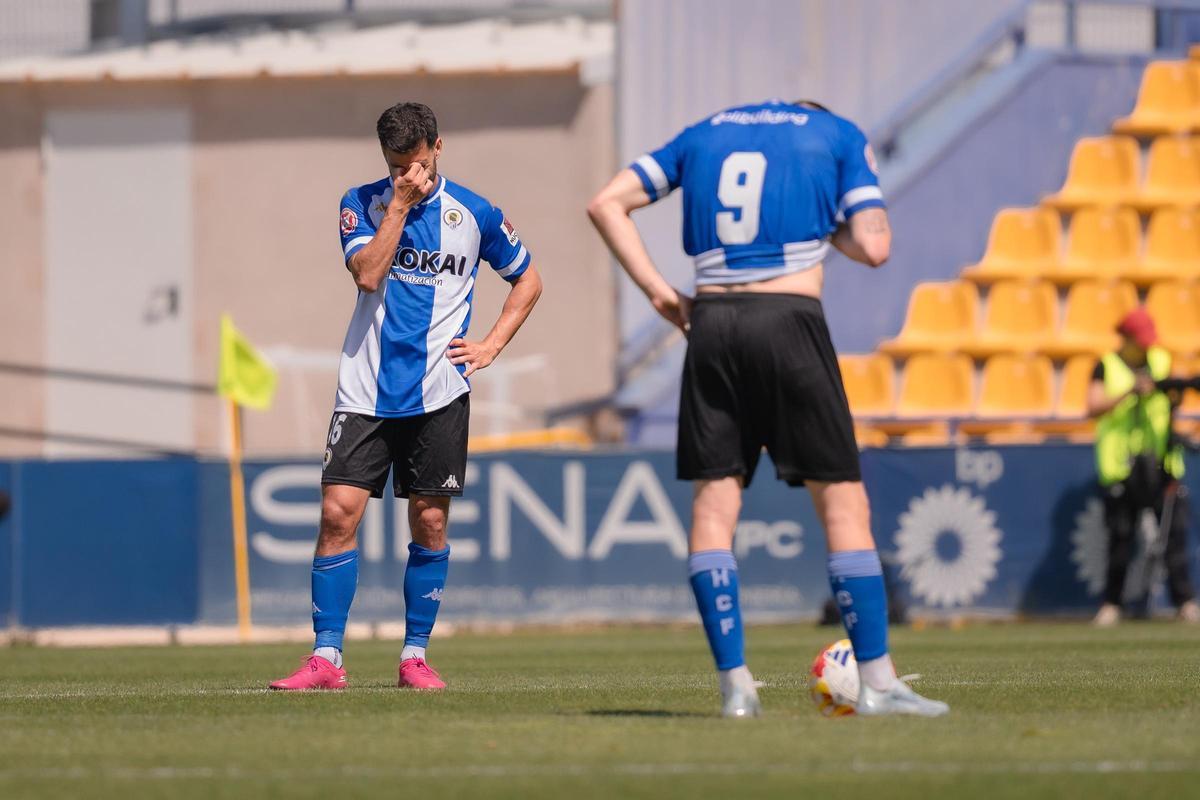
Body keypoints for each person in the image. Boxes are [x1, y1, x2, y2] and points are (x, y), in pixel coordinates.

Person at [587, 99, 948, 717]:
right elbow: (874, 244)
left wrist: (660, 295)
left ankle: (736, 690)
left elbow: (606, 202)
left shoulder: (701, 130)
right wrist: (826, 224)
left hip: (713, 324)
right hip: (790, 323)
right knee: (842, 504)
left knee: (714, 509)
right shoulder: (836, 133)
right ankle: (881, 685)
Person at [270, 102, 543, 690]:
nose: (406, 175)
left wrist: (492, 345)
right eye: (396, 166)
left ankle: (414, 656)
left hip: (439, 392)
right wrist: (397, 205)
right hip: (364, 390)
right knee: (337, 514)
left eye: (415, 164)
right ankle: (327, 659)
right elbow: (368, 274)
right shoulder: (361, 203)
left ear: (437, 149)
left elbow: (528, 278)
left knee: (430, 522)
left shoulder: (475, 212)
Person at [1087, 308, 1198, 627]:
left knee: (1173, 538)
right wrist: (1129, 391)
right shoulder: (1105, 366)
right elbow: (1092, 407)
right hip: (1122, 467)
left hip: (1161, 463)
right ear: (1126, 338)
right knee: (1120, 540)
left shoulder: (1161, 361)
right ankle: (1112, 604)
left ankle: (1185, 603)